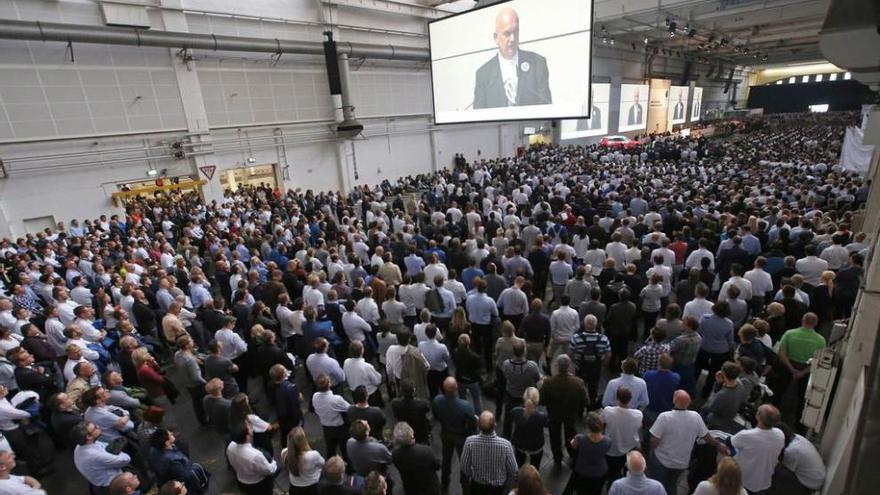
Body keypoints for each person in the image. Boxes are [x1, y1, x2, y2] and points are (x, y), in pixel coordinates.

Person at [648, 390, 730, 495]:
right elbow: (706, 436)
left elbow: (654, 440)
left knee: (656, 485)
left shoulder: (664, 417)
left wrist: (653, 449)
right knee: (671, 485)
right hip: (681, 463)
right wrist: (718, 444)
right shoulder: (696, 417)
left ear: (674, 400)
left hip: (661, 460)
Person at [473, 7, 552, 109]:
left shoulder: (537, 64)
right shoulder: (483, 74)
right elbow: (478, 118)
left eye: (516, 32)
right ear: (496, 38)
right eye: (507, 34)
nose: (513, 39)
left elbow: (547, 111)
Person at [776, 313, 826, 423]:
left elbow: (782, 353)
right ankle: (798, 420)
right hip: (806, 369)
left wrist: (791, 368)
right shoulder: (821, 340)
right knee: (802, 396)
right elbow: (819, 361)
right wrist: (803, 372)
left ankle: (774, 413)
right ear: (816, 324)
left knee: (780, 390)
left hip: (787, 366)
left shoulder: (789, 334)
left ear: (802, 320)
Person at [540, 355, 587, 466]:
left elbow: (541, 401)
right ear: (569, 366)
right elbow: (585, 401)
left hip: (554, 414)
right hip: (570, 414)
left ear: (557, 366)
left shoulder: (548, 382)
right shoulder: (578, 382)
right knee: (570, 434)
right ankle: (572, 454)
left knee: (554, 437)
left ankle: (557, 457)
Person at [432, 377, 477, 490]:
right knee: (464, 461)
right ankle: (465, 484)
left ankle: (444, 482)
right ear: (456, 388)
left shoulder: (437, 400)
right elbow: (472, 423)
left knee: (446, 459)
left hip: (446, 433)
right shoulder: (465, 405)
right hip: (461, 436)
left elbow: (436, 415)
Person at [730, 404, 785, 494]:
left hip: (743, 482)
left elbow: (730, 442)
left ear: (758, 417)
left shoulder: (747, 435)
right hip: (764, 483)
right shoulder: (780, 434)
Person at [460, 411, 518, 495]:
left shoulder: (470, 442)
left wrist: (473, 474)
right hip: (498, 488)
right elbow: (513, 470)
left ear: (478, 426)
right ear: (495, 425)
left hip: (477, 486)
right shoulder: (506, 445)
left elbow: (464, 466)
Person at [72, 421, 132, 491]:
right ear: (89, 436)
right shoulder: (94, 455)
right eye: (95, 428)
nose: (98, 426)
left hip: (98, 477)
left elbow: (103, 445)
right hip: (112, 483)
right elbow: (126, 459)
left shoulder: (81, 445)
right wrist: (119, 451)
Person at [601, 387, 643, 484]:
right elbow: (640, 426)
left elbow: (601, 422)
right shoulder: (638, 414)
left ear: (617, 398)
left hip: (612, 449)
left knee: (612, 475)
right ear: (630, 399)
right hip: (630, 448)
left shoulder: (608, 411)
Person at [500, 340, 540, 438]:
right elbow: (537, 378)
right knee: (526, 418)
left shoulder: (506, 364)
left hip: (511, 394)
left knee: (508, 419)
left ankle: (506, 437)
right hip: (525, 396)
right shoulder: (532, 366)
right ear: (524, 351)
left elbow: (504, 375)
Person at [564, 412, 611, 495]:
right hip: (600, 471)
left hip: (582, 469)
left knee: (579, 490)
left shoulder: (580, 438)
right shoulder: (607, 441)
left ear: (589, 426)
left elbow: (573, 446)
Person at [148, 428, 207, 494]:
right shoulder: (173, 462)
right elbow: (186, 477)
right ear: (167, 443)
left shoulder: (153, 450)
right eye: (170, 434)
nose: (172, 433)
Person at [227, 422, 279, 495]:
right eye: (249, 428)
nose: (251, 428)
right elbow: (269, 470)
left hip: (241, 481)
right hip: (258, 484)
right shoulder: (256, 455)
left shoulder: (230, 447)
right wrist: (273, 462)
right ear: (247, 436)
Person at [774, 423, 826, 494]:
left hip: (811, 484)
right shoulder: (797, 437)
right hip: (818, 477)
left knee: (775, 471)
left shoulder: (790, 451)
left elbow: (781, 466)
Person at [570, 315, 610, 407]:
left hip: (580, 366)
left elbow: (570, 352)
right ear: (596, 325)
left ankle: (579, 406)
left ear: (584, 324)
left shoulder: (576, 337)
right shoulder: (603, 339)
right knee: (593, 386)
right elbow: (608, 354)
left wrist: (575, 362)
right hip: (596, 367)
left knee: (579, 386)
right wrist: (603, 364)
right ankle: (591, 405)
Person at [391, 422, 441, 495]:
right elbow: (437, 466)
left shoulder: (395, 455)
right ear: (411, 435)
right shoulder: (426, 451)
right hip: (429, 487)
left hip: (411, 489)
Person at [312, 374, 351, 462]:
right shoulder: (336, 399)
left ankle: (330, 467)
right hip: (340, 428)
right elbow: (349, 408)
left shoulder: (315, 397)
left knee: (330, 449)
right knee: (345, 449)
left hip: (326, 427)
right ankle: (350, 470)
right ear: (329, 384)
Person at [509, 387, 547, 468]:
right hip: (536, 446)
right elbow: (547, 424)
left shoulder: (515, 411)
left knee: (519, 465)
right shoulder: (542, 416)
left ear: (524, 398)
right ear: (537, 401)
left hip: (520, 444)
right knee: (535, 467)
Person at [282, 426, 325, 495]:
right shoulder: (313, 455)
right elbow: (323, 463)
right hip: (311, 486)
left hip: (294, 486)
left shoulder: (284, 453)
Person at [390, 379, 432, 445]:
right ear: (414, 390)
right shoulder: (422, 404)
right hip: (421, 433)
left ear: (401, 391)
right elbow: (427, 408)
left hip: (405, 432)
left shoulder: (395, 404)